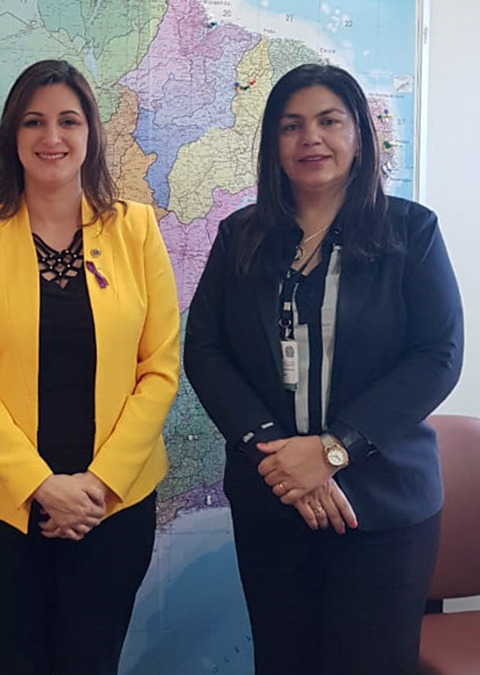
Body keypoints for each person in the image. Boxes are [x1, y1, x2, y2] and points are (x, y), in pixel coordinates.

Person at [184, 63, 464, 675]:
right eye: (291, 126)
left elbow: (438, 355)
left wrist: (334, 449)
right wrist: (278, 454)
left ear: (358, 135)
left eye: (328, 121)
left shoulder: (411, 231)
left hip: (384, 505)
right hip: (273, 497)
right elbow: (204, 348)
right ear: (274, 145)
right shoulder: (240, 237)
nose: (310, 138)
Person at [0, 59, 180, 675]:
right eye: (34, 122)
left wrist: (98, 485)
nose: (52, 137)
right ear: (13, 137)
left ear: (90, 132)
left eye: (68, 121)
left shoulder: (136, 229)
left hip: (113, 505)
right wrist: (41, 485)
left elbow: (160, 369)